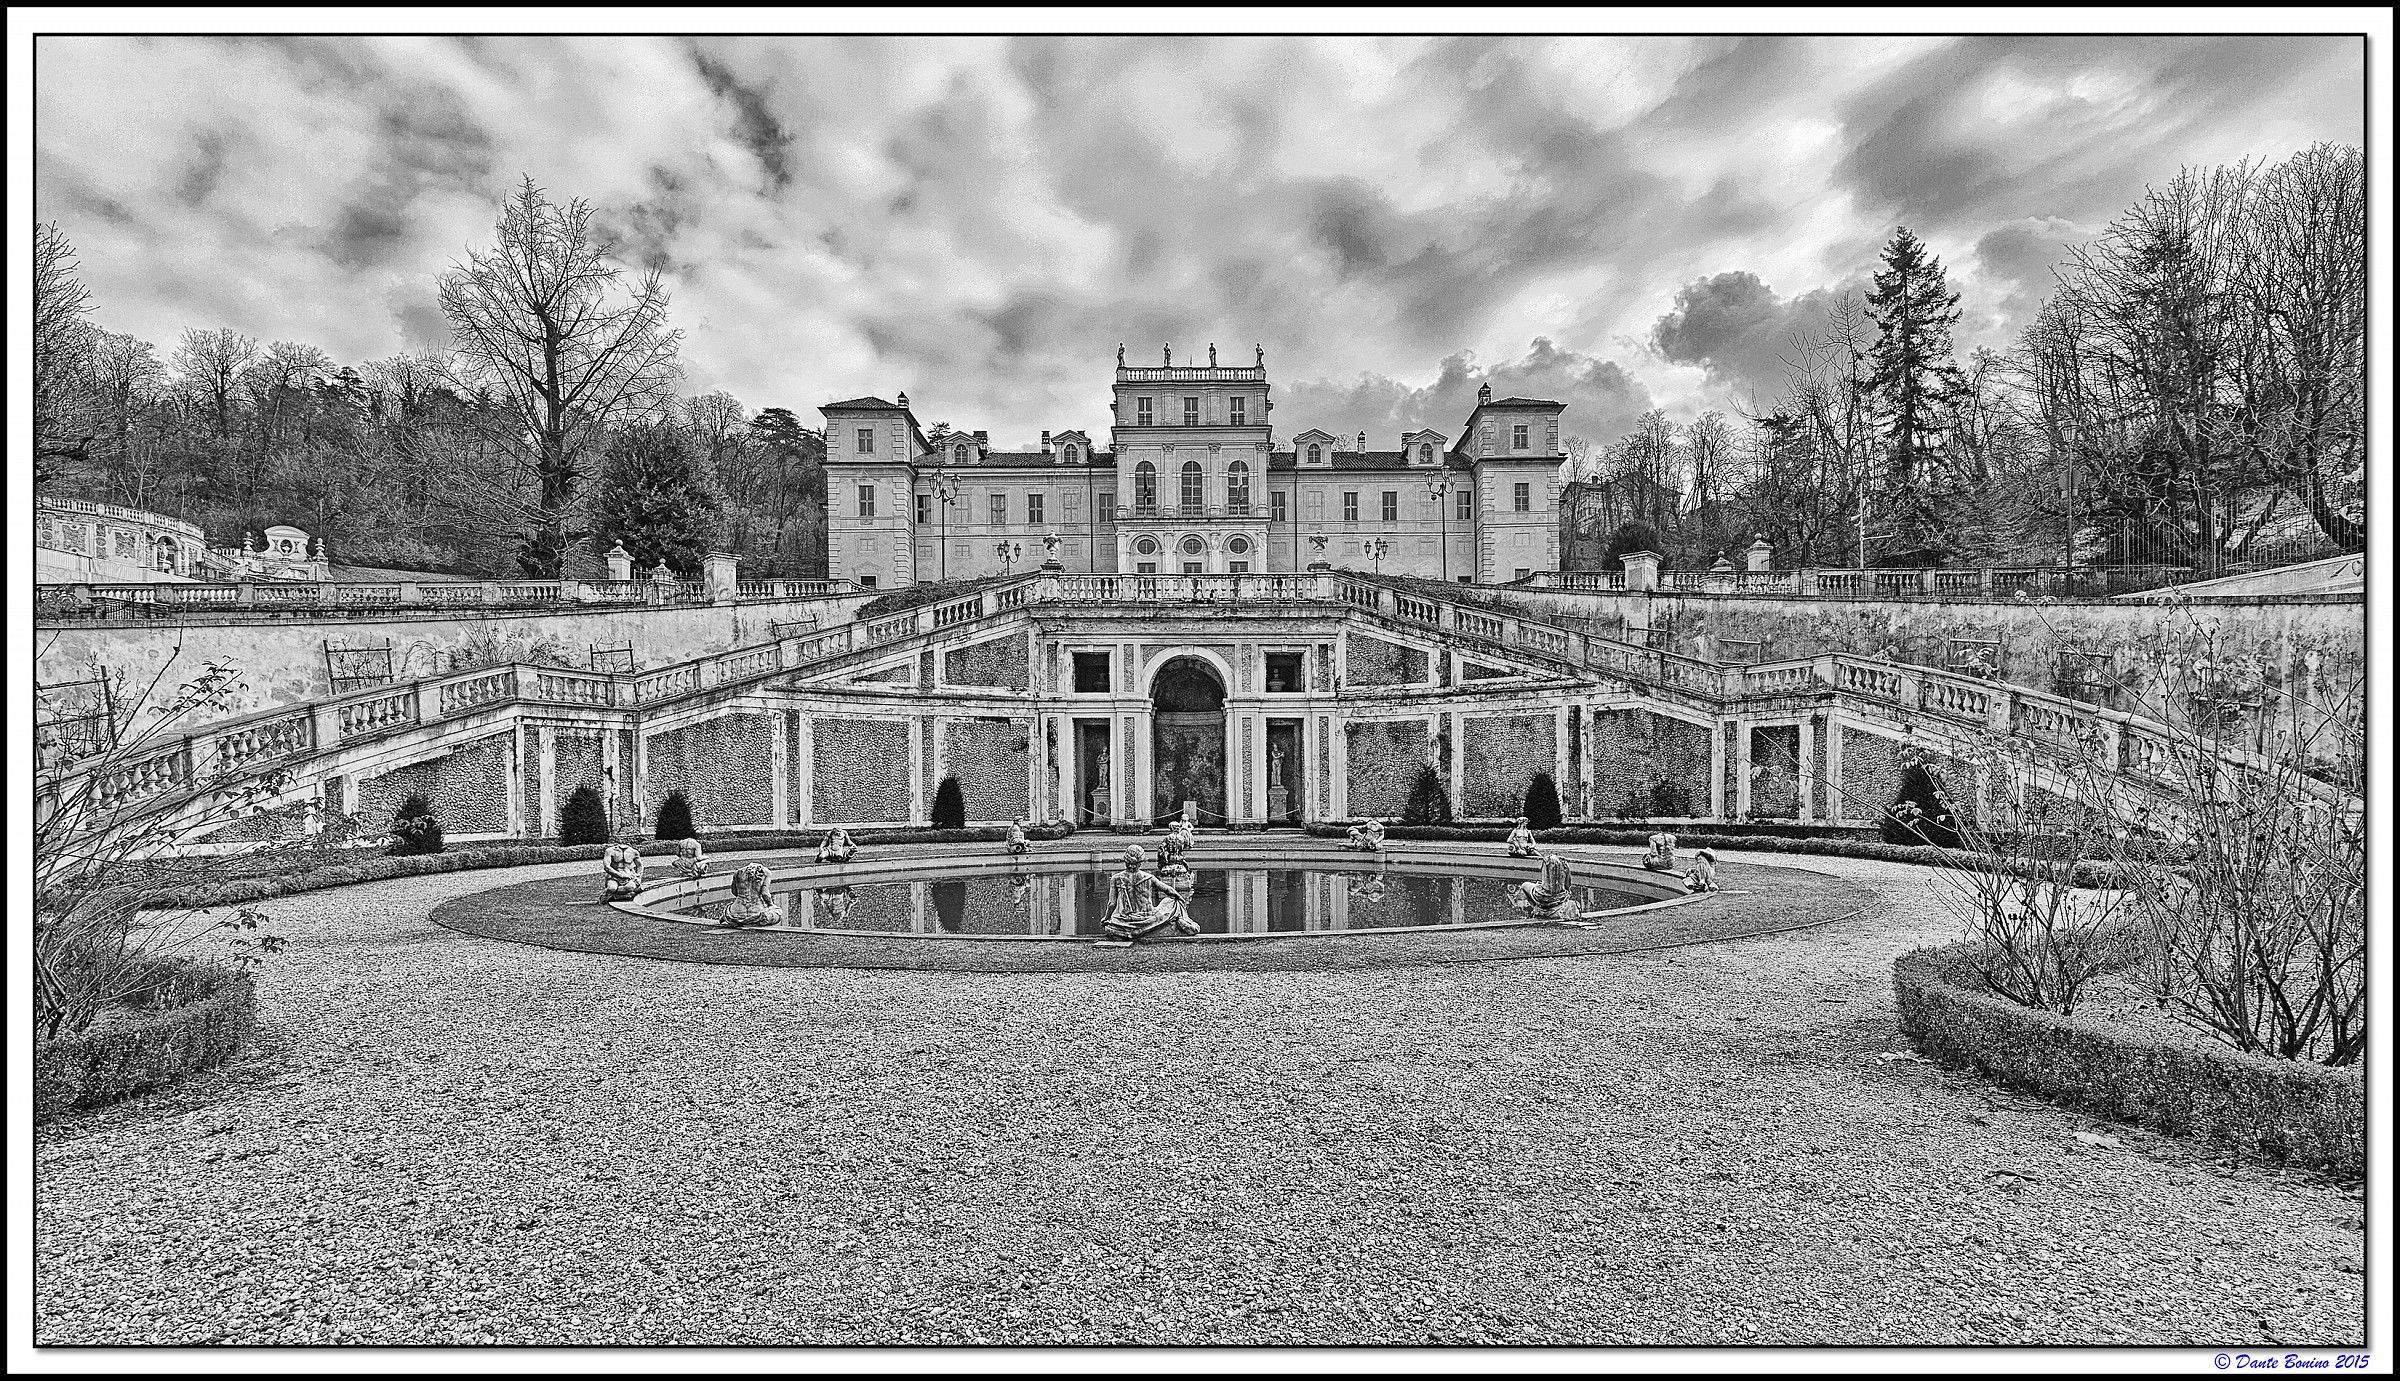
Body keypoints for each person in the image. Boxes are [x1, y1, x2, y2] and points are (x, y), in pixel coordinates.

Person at [1097, 846, 1170, 946]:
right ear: (1141, 862)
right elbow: (1167, 889)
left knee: (1110, 926)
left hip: (1125, 920)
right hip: (1147, 918)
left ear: (1125, 861)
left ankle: (1128, 931)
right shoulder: (1149, 877)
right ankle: (1145, 929)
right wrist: (1179, 897)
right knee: (1168, 901)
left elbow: (1111, 904)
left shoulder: (1116, 878)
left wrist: (1106, 918)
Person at [1512, 852, 1580, 919]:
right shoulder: (1564, 864)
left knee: (1524, 885)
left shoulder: (1546, 861)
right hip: (1559, 897)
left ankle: (1536, 908)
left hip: (1541, 896)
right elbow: (1568, 884)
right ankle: (1538, 908)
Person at [720, 862, 785, 929]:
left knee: (729, 908)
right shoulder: (766, 872)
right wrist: (771, 905)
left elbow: (734, 892)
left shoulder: (738, 872)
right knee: (778, 912)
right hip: (756, 914)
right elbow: (765, 894)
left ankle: (727, 918)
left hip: (735, 913)